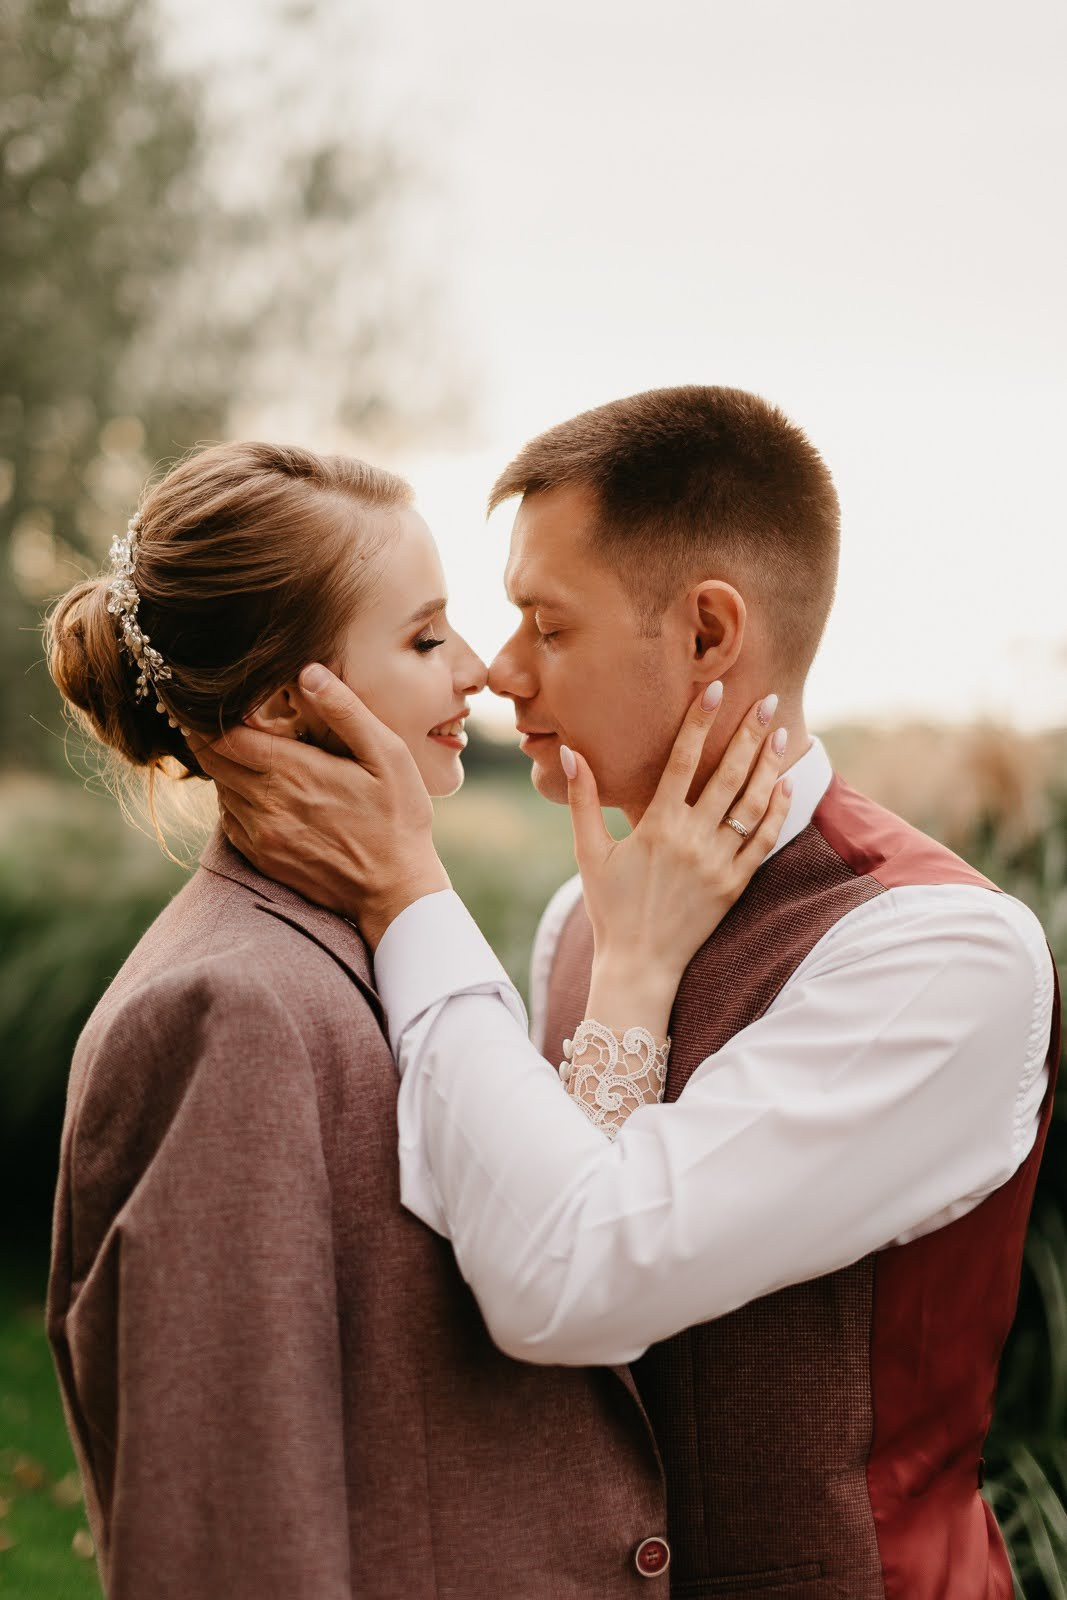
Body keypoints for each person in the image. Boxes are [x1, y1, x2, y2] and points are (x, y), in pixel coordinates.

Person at [201, 387, 1060, 1600]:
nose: (498, 672)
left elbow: (569, 1281)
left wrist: (407, 893)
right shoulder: (577, 925)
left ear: (709, 635)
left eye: (545, 626)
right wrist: (628, 975)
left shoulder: (937, 954)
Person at [43, 437, 790, 1599]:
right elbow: (233, 1536)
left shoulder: (378, 944)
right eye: (423, 636)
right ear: (300, 698)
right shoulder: (227, 1007)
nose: (476, 676)